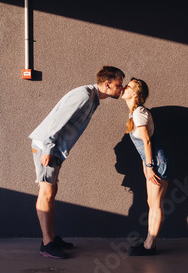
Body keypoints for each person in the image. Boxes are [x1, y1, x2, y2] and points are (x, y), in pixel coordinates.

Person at [29, 66, 125, 259]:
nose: (121, 88)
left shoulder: (92, 98)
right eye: (119, 84)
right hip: (47, 146)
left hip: (54, 148)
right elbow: (55, 122)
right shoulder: (83, 96)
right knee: (46, 191)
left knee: (51, 190)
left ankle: (52, 237)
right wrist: (47, 149)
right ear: (107, 84)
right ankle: (47, 244)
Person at [121, 78, 171, 256]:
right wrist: (145, 166)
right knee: (152, 203)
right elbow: (144, 147)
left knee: (156, 204)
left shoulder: (139, 113)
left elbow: (147, 141)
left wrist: (149, 167)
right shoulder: (134, 113)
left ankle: (150, 245)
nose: (124, 88)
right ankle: (149, 242)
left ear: (135, 93)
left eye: (127, 86)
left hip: (156, 162)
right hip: (151, 162)